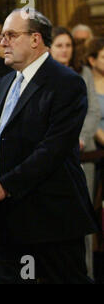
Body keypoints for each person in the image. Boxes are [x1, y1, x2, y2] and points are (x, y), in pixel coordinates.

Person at [0, 9, 99, 284]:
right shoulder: (6, 82)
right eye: (2, 36)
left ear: (35, 39)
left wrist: (4, 186)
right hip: (7, 221)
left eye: (11, 35)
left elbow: (52, 150)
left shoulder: (65, 82)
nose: (2, 42)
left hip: (51, 221)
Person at [51, 27, 100, 201]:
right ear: (49, 47)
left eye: (68, 45)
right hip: (54, 150)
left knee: (85, 203)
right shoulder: (45, 74)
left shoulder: (83, 72)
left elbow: (93, 110)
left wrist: (81, 138)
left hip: (83, 148)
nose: (65, 50)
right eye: (59, 45)